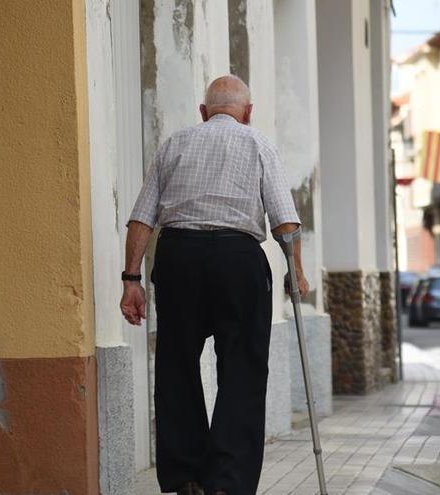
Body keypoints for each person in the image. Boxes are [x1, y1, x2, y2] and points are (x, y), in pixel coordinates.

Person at [120, 75, 309, 495]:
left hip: (179, 258)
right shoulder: (258, 143)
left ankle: (187, 476)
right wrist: (295, 269)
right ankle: (227, 483)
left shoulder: (175, 144)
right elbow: (285, 221)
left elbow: (142, 217)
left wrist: (131, 278)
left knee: (176, 365)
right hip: (237, 260)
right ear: (248, 113)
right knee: (242, 370)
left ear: (204, 113)